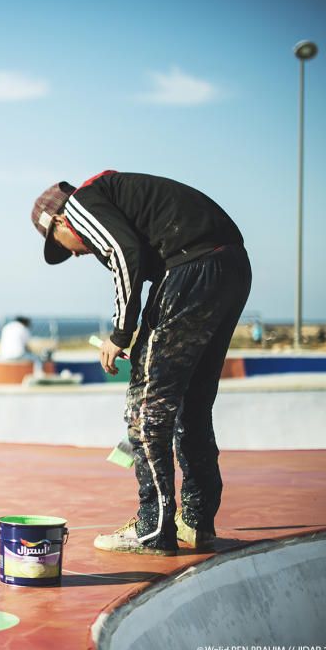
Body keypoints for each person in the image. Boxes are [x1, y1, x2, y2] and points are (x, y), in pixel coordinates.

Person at [30, 171, 251, 555]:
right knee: (191, 403)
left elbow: (123, 254)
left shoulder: (80, 205)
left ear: (61, 222)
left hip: (192, 270)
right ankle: (196, 522)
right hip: (229, 268)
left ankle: (153, 528)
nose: (75, 254)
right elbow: (147, 263)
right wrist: (155, 346)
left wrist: (120, 334)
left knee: (146, 407)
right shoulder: (119, 201)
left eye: (64, 246)